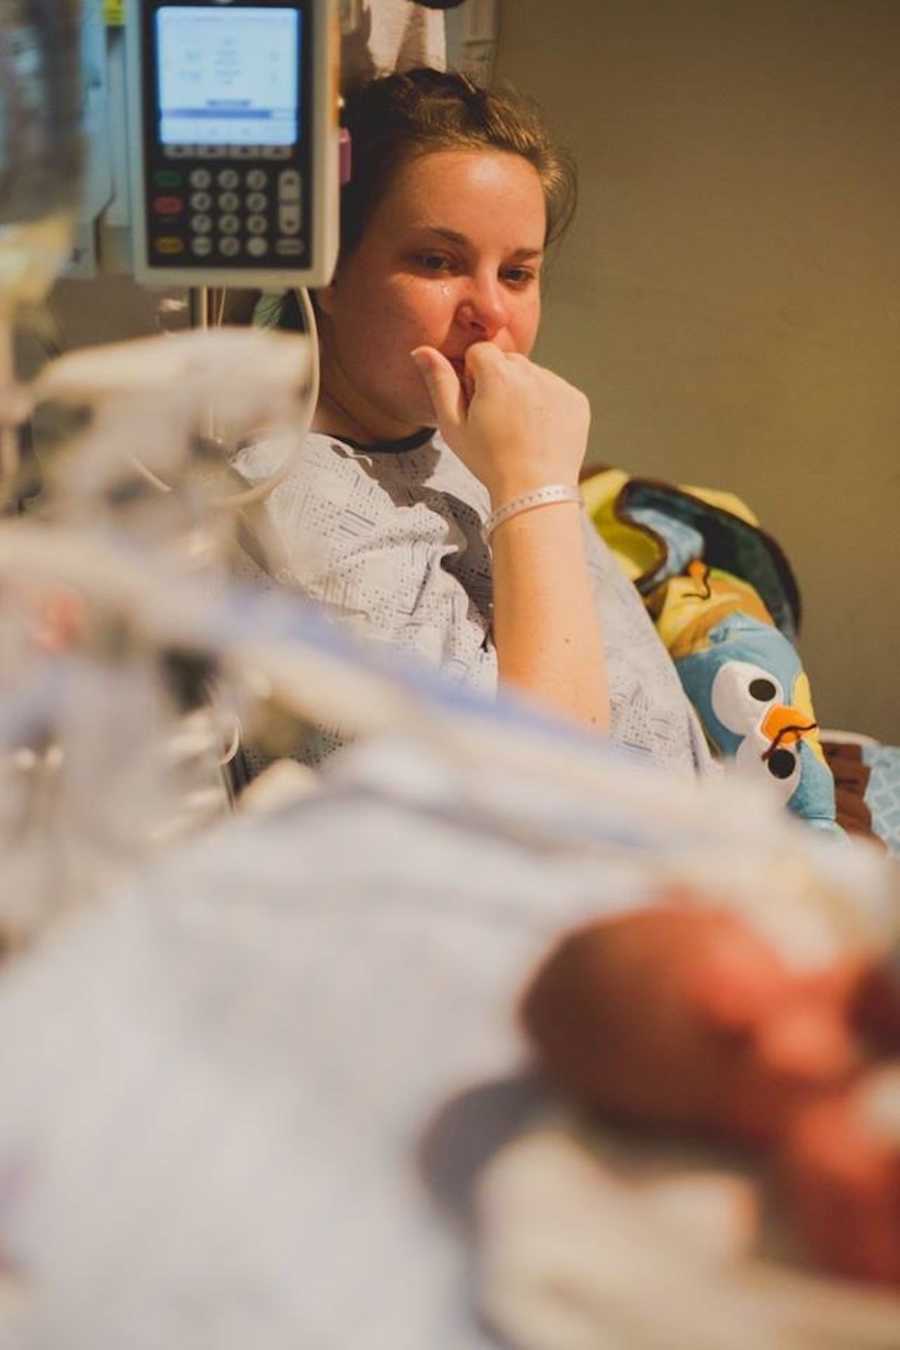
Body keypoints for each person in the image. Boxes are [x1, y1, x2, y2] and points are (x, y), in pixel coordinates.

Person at [242, 68, 708, 774]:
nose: (490, 311)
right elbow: (539, 799)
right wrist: (535, 488)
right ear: (327, 273)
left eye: (517, 273)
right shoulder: (292, 507)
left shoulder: (461, 434)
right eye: (438, 261)